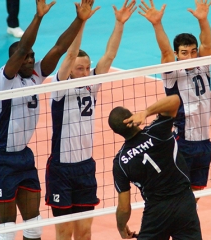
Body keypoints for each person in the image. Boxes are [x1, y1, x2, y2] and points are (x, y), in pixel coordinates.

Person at [0, 0, 95, 240]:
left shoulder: (35, 75)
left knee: (34, 224)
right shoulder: (5, 79)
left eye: (31, 57)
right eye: (25, 57)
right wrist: (38, 17)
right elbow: (23, 47)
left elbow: (58, 48)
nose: (29, 59)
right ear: (13, 61)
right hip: (2, 156)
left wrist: (79, 19)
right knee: (7, 226)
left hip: (24, 156)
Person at [45, 0, 137, 239]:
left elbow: (110, 55)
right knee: (64, 232)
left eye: (87, 68)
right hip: (61, 170)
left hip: (86, 167)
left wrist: (119, 24)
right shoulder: (59, 89)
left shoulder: (90, 86)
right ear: (69, 70)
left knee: (85, 232)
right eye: (80, 69)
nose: (86, 73)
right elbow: (71, 54)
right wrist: (82, 21)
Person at [138, 0, 211, 201]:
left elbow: (207, 44)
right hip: (183, 142)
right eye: (184, 53)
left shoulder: (203, 67)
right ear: (177, 55)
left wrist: (203, 20)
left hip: (205, 143)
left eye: (193, 51)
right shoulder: (173, 73)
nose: (190, 57)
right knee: (179, 192)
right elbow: (164, 52)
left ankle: (188, 226)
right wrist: (157, 24)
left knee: (195, 193)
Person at [108, 95, 202, 239]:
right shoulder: (157, 131)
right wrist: (146, 112)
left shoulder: (120, 162)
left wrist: (121, 227)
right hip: (184, 202)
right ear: (132, 117)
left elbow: (124, 207)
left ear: (116, 132)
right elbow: (175, 100)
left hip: (156, 212)